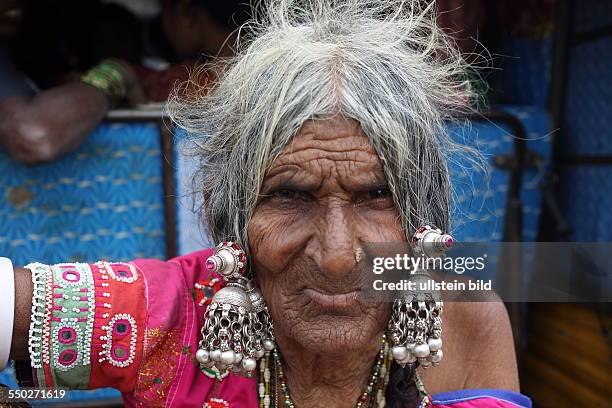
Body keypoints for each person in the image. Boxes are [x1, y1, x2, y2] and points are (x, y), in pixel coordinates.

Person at [2, 1, 529, 407]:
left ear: (421, 218)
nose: (338, 255)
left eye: (376, 196)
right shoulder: (171, 311)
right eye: (290, 196)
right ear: (230, 212)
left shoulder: (461, 312)